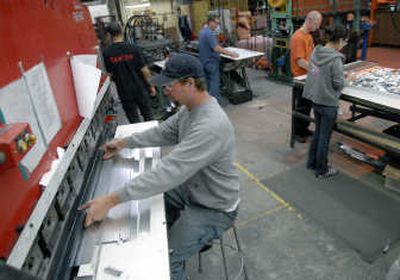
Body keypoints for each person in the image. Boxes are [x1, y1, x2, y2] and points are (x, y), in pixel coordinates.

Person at [79, 54, 240, 280]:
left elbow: (169, 171)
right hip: (194, 189)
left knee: (168, 261)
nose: (165, 90)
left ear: (190, 83)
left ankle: (180, 244)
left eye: (169, 85)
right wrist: (124, 143)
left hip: (214, 207)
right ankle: (177, 236)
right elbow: (163, 132)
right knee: (150, 201)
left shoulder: (210, 125)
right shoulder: (189, 109)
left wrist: (110, 200)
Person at [303, 25, 350, 178]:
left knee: (318, 134)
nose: (344, 46)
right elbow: (338, 84)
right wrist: (348, 79)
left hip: (316, 100)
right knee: (324, 137)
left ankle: (311, 163)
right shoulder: (335, 59)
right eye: (345, 42)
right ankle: (322, 170)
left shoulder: (316, 52)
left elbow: (315, 72)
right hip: (328, 103)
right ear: (340, 40)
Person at [103, 22, 155, 123]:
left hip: (124, 92)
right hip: (140, 89)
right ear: (122, 31)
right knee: (148, 115)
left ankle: (137, 138)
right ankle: (153, 137)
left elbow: (110, 74)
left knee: (133, 119)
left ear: (109, 35)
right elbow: (144, 70)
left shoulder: (107, 53)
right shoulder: (134, 48)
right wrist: (151, 86)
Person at [290, 11, 323, 143]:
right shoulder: (298, 37)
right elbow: (300, 62)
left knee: (307, 105)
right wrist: (318, 72)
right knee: (301, 106)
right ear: (310, 20)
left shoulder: (308, 36)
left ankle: (304, 129)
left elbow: (311, 56)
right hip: (300, 78)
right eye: (317, 24)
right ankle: (297, 132)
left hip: (308, 76)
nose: (318, 27)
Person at [198, 14, 238, 102]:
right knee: (214, 82)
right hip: (211, 62)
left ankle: (207, 101)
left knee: (208, 82)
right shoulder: (209, 33)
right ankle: (215, 103)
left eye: (218, 23)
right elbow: (215, 47)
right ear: (210, 22)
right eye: (216, 23)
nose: (217, 25)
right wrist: (231, 53)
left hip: (204, 61)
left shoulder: (202, 31)